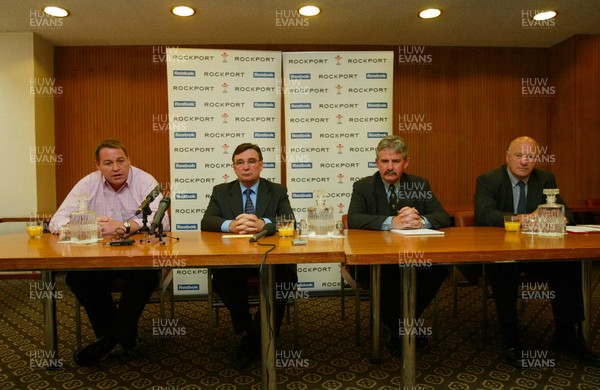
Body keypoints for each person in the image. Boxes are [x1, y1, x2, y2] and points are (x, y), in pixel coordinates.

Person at [474, 135, 600, 367]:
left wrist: (557, 218)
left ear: (536, 159)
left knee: (568, 264)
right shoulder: (489, 180)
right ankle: (511, 339)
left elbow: (567, 214)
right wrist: (523, 218)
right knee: (504, 269)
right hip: (503, 251)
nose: (524, 161)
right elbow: (483, 215)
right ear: (507, 157)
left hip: (538, 251)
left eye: (530, 156)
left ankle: (567, 334)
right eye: (519, 155)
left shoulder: (545, 179)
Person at [49, 139, 170, 366]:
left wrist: (125, 226)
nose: (116, 168)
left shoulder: (145, 181)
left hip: (136, 259)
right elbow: (56, 222)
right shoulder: (87, 184)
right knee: (78, 278)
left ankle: (109, 340)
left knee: (145, 275)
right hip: (98, 259)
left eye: (120, 161)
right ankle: (121, 336)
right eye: (108, 163)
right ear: (98, 165)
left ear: (129, 160)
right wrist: (90, 225)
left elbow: (163, 219)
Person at [347, 135, 450, 356]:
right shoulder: (363, 186)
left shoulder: (419, 184)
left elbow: (443, 216)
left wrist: (421, 220)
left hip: (415, 256)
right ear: (377, 163)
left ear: (406, 162)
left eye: (396, 161)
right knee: (388, 277)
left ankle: (398, 326)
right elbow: (354, 219)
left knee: (439, 271)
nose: (390, 167)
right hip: (376, 260)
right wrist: (391, 222)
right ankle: (402, 329)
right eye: (385, 161)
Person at [201, 143, 297, 369]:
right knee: (223, 278)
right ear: (233, 168)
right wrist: (231, 225)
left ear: (261, 165)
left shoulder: (277, 190)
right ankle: (248, 326)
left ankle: (250, 340)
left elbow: (289, 221)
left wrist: (264, 223)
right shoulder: (221, 191)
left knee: (283, 280)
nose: (246, 167)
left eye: (251, 161)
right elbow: (207, 222)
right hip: (235, 259)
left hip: (272, 259)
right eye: (240, 163)